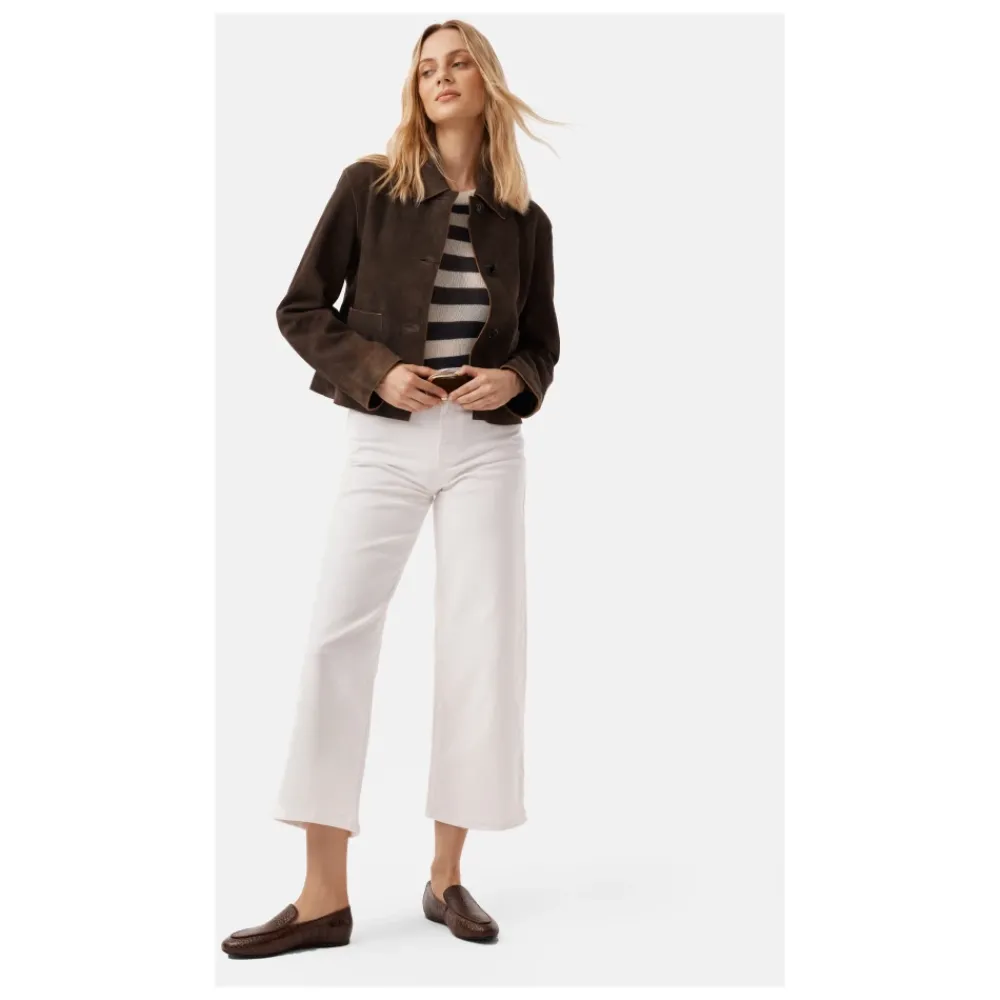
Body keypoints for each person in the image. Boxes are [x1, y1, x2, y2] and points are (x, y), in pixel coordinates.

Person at [222, 18, 561, 958]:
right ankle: (322, 896)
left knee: (481, 648)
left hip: (485, 449)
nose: (440, 78)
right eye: (426, 68)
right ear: (414, 89)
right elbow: (300, 309)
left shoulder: (524, 220)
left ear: (486, 81)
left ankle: (446, 878)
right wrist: (380, 370)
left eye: (458, 64)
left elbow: (543, 344)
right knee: (336, 637)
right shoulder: (369, 187)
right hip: (384, 440)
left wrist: (512, 379)